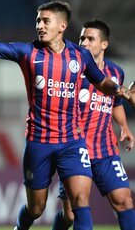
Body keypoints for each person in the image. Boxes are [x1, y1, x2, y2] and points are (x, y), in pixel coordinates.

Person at [0, 1, 132, 230]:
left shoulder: (80, 56)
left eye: (45, 21)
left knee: (80, 202)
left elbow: (102, 82)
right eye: (37, 21)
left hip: (72, 142)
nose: (40, 26)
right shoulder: (28, 52)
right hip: (39, 143)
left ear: (62, 26)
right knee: (36, 209)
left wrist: (122, 92)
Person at [51, 20, 135, 230]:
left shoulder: (116, 73)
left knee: (124, 200)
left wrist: (124, 126)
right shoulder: (72, 71)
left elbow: (115, 103)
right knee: (70, 215)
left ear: (104, 44)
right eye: (81, 38)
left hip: (105, 150)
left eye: (90, 39)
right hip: (74, 150)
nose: (84, 43)